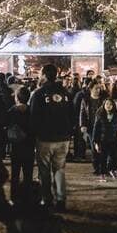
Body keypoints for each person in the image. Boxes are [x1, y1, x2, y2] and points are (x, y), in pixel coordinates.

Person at [29, 63, 75, 211]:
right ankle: (61, 199)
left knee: (44, 170)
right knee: (59, 168)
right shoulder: (65, 93)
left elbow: (34, 116)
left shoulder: (39, 93)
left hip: (45, 138)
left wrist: (35, 133)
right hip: (63, 137)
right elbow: (71, 114)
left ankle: (47, 199)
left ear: (43, 74)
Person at [7, 85, 35, 199]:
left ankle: (14, 197)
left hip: (16, 146)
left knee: (15, 174)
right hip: (29, 146)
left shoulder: (12, 110)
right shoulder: (31, 111)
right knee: (28, 174)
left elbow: (6, 124)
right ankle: (27, 197)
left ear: (17, 98)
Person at [92, 97, 117, 180]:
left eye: (110, 104)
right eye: (107, 104)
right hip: (103, 140)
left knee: (114, 157)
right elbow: (96, 129)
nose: (108, 106)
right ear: (103, 105)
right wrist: (96, 142)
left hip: (114, 139)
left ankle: (113, 170)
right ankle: (102, 173)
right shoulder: (100, 115)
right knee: (103, 158)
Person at [79, 82, 104, 175]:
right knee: (94, 148)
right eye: (96, 88)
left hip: (102, 127)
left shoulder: (103, 99)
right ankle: (96, 167)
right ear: (91, 89)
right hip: (91, 127)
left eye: (99, 88)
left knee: (102, 147)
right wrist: (83, 125)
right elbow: (82, 113)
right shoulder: (86, 100)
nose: (98, 90)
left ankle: (103, 166)